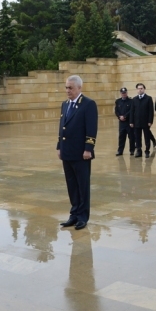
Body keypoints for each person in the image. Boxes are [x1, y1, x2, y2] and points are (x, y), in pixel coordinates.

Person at [58, 75, 98, 230]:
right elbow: (62, 126)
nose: (68, 90)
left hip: (81, 153)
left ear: (79, 88)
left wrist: (89, 149)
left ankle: (82, 216)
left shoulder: (88, 104)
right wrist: (58, 146)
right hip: (67, 152)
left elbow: (91, 128)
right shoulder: (65, 104)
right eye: (66, 87)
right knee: (72, 185)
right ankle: (74, 214)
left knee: (82, 185)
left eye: (71, 88)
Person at [130, 83, 155, 158]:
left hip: (146, 122)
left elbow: (151, 111)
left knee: (147, 137)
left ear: (144, 89)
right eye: (138, 88)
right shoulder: (134, 99)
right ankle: (139, 150)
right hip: (136, 122)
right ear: (137, 90)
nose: (140, 90)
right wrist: (131, 121)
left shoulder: (148, 98)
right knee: (137, 137)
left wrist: (150, 121)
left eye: (141, 88)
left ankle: (147, 151)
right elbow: (132, 111)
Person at [114, 87, 134, 156]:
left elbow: (131, 110)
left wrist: (125, 116)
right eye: (122, 93)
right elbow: (116, 111)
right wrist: (119, 116)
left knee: (131, 137)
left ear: (127, 93)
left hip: (129, 122)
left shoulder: (131, 101)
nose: (124, 94)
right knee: (121, 137)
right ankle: (120, 151)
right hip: (121, 122)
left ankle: (132, 150)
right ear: (120, 94)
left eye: (125, 93)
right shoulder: (118, 101)